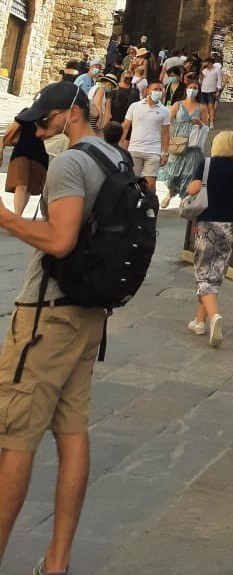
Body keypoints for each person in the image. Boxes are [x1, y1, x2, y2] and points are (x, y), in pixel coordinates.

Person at [0, 82, 128, 575]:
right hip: (88, 314)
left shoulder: (72, 162)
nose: (40, 127)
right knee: (72, 431)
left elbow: (59, 239)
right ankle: (57, 562)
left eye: (47, 119)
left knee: (15, 434)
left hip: (46, 317)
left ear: (72, 113)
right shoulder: (114, 158)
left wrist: (7, 220)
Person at [186, 129, 233, 347]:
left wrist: (191, 188)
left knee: (202, 273)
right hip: (229, 226)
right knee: (214, 272)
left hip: (208, 223)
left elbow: (194, 188)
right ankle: (199, 321)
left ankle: (214, 317)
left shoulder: (205, 164)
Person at [160, 82, 208, 209]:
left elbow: (205, 127)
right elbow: (167, 122)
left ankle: (184, 199)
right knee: (172, 172)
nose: (192, 90)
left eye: (195, 88)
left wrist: (200, 123)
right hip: (177, 143)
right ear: (186, 89)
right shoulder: (177, 105)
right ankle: (170, 193)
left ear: (198, 91)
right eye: (190, 87)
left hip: (192, 145)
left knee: (189, 174)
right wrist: (166, 139)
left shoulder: (202, 108)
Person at [121, 81, 170, 195]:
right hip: (134, 149)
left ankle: (150, 208)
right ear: (148, 90)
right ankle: (133, 208)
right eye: (155, 89)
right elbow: (125, 126)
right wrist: (121, 146)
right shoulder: (135, 106)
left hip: (153, 151)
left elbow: (166, 133)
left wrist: (165, 153)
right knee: (133, 182)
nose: (158, 92)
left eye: (160, 90)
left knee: (151, 185)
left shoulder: (164, 111)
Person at [2, 114, 49, 216]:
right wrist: (1, 148)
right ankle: (17, 216)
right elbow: (10, 132)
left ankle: (19, 215)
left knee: (29, 187)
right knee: (21, 185)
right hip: (21, 152)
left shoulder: (54, 115)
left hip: (40, 154)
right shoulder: (27, 113)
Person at [199, 58, 222, 128]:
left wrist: (218, 91)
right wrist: (201, 71)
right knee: (205, 107)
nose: (204, 64)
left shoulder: (217, 70)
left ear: (210, 63)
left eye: (205, 62)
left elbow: (219, 81)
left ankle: (211, 122)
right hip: (203, 90)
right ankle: (206, 120)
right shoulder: (204, 71)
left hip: (212, 90)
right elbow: (200, 81)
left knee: (211, 106)